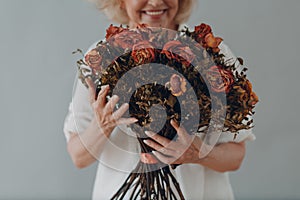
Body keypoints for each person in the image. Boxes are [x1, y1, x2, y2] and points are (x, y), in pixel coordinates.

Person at [63, 0, 256, 199]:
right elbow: (79, 156)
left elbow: (236, 157)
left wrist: (199, 153)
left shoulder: (210, 52)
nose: (155, 1)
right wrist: (103, 125)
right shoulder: (101, 57)